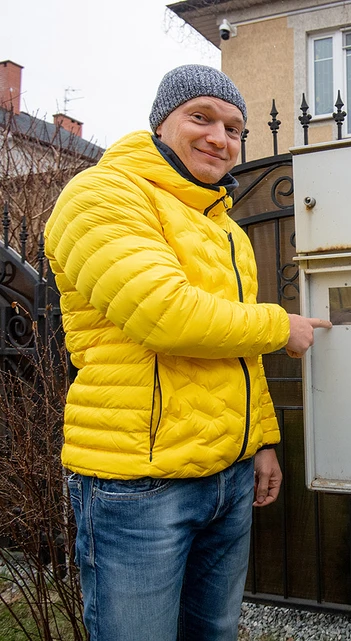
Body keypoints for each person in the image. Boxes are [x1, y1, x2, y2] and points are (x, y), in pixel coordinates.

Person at [44, 64, 331, 641]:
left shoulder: (225, 229)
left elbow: (236, 354)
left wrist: (262, 442)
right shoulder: (102, 194)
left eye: (233, 127)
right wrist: (282, 326)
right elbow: (165, 316)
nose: (218, 137)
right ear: (160, 123)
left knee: (214, 633)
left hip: (227, 474)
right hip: (139, 484)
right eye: (200, 117)